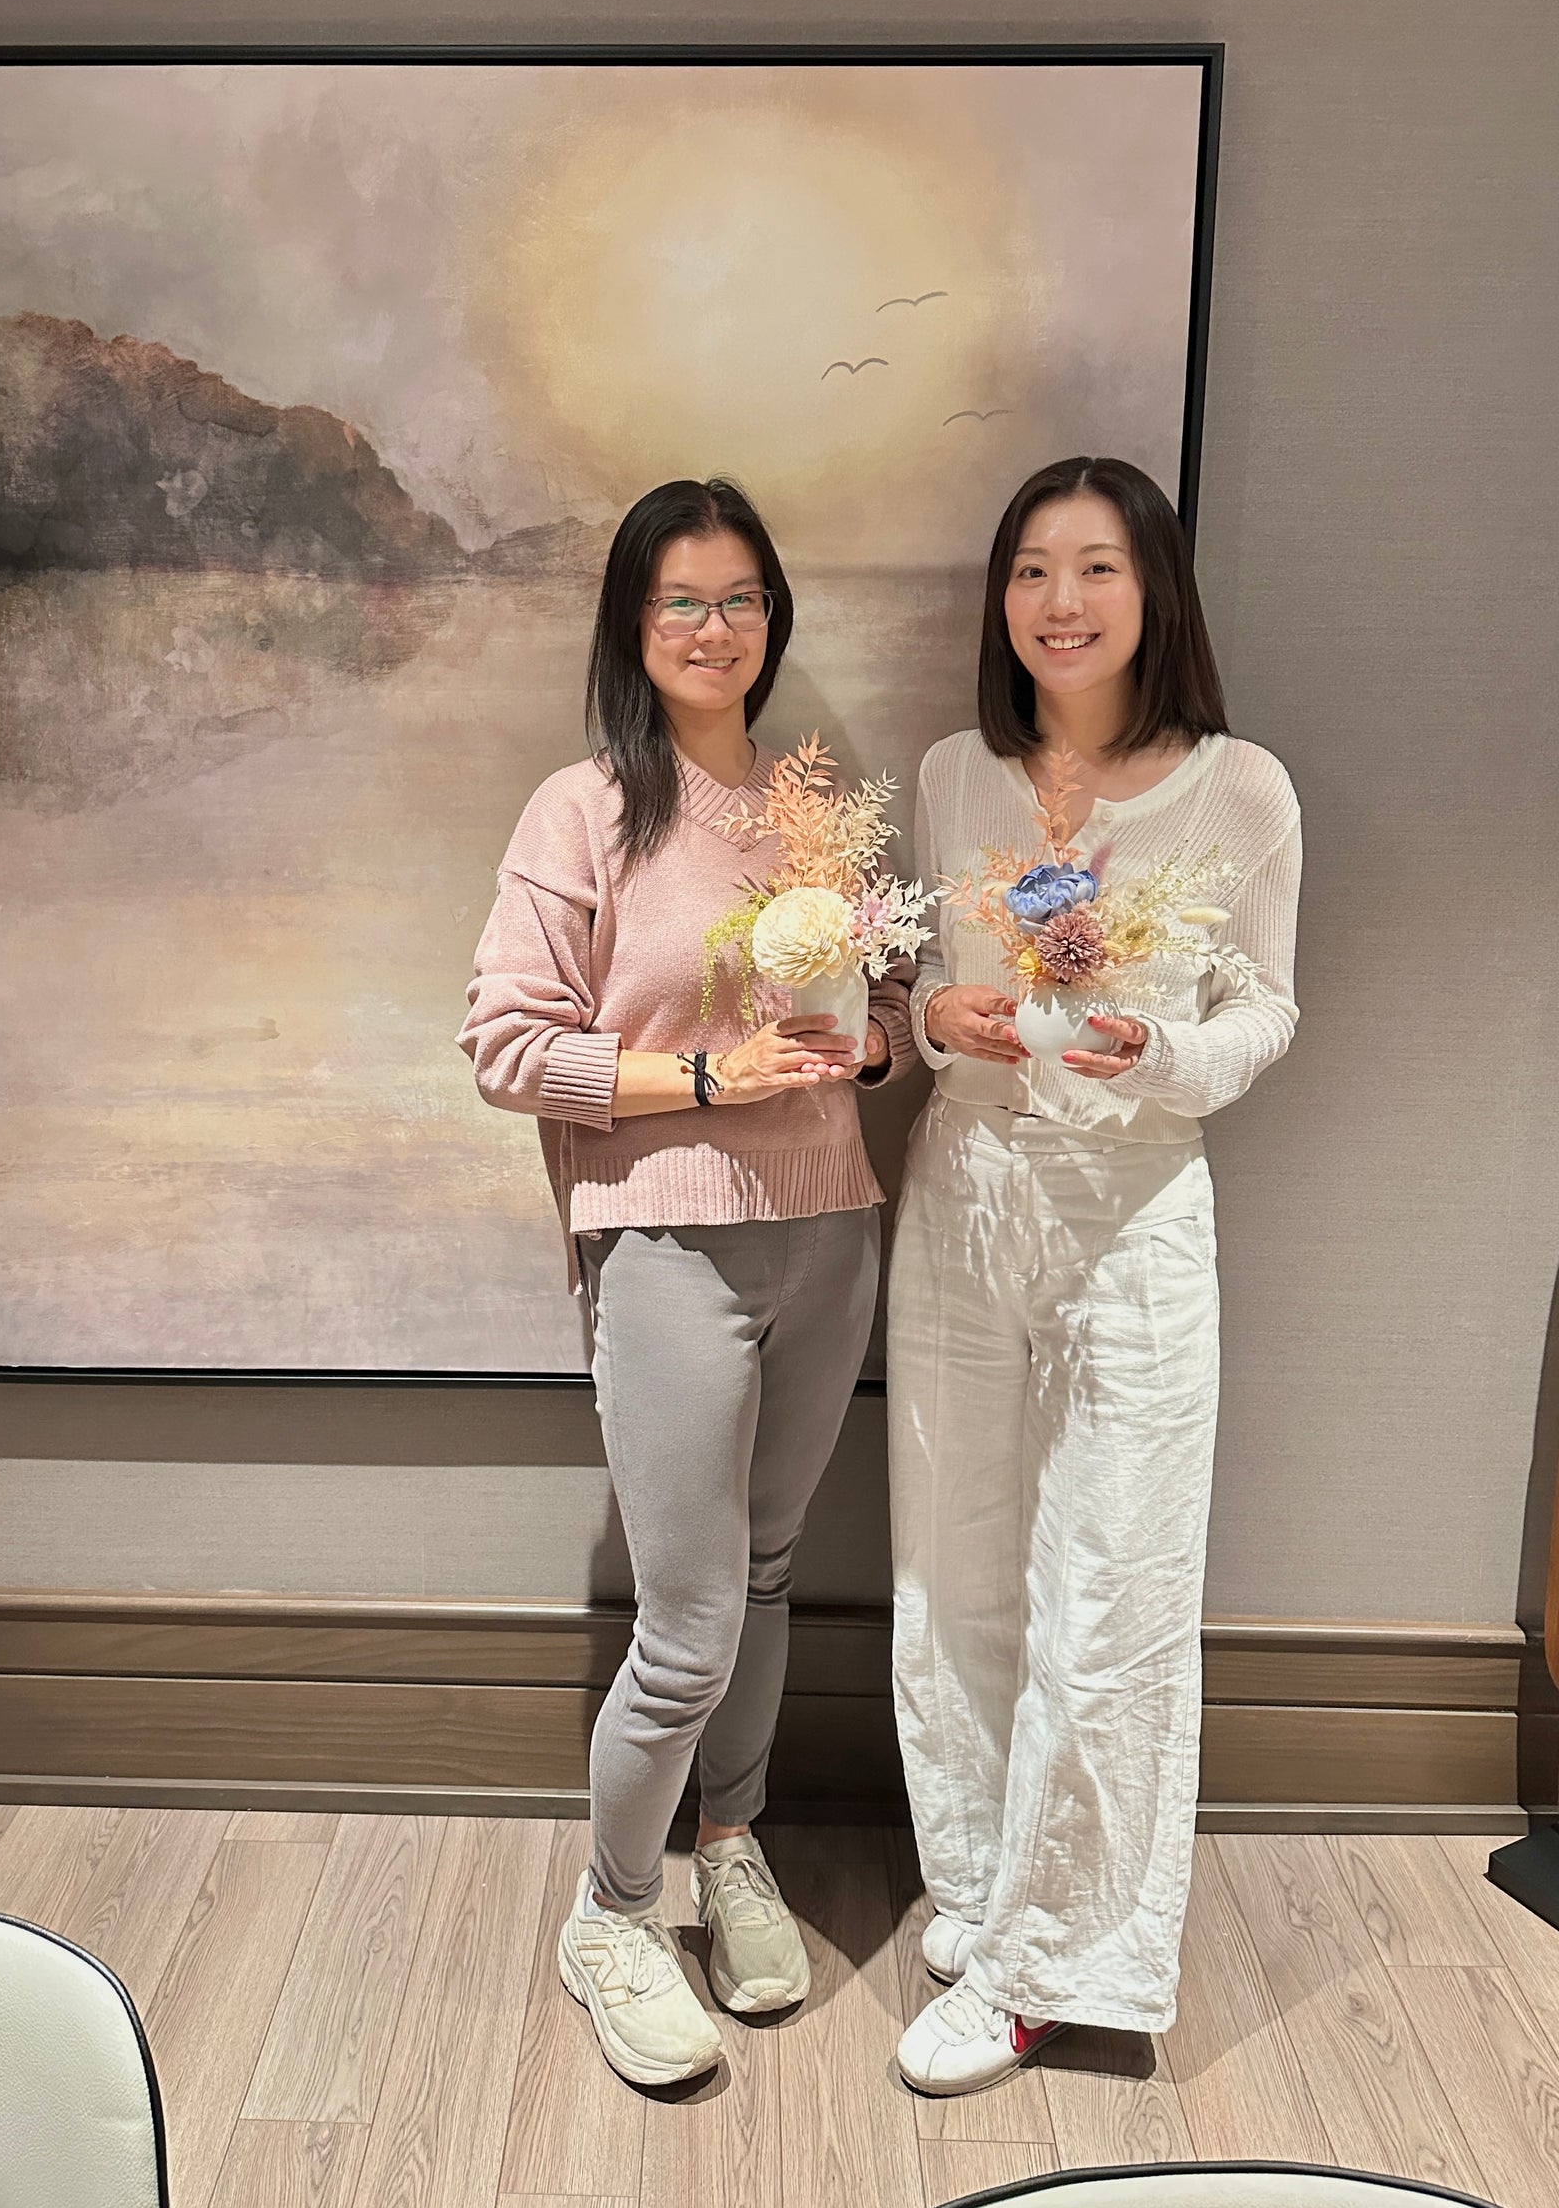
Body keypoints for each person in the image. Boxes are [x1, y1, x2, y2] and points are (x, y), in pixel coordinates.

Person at [460, 476, 911, 2091]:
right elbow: (506, 1047)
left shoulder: (815, 807)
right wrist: (710, 1082)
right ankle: (611, 1914)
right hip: (662, 1240)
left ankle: (732, 1843)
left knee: (772, 1567)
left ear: (771, 618)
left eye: (740, 600)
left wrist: (875, 1035)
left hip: (829, 1226)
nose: (714, 629)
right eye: (680, 603)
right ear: (632, 629)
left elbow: (882, 1012)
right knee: (689, 1617)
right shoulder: (581, 809)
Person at [889, 454, 1302, 2095]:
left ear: (1153, 594)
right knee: (955, 1561)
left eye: (1097, 570)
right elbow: (922, 971)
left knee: (1111, 1585)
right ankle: (985, 1884)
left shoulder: (1237, 787)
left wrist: (1163, 1052)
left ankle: (1053, 1965)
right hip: (963, 1190)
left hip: (1131, 1208)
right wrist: (935, 1020)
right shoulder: (950, 773)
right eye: (1032, 573)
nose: (1061, 604)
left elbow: (1265, 1006)